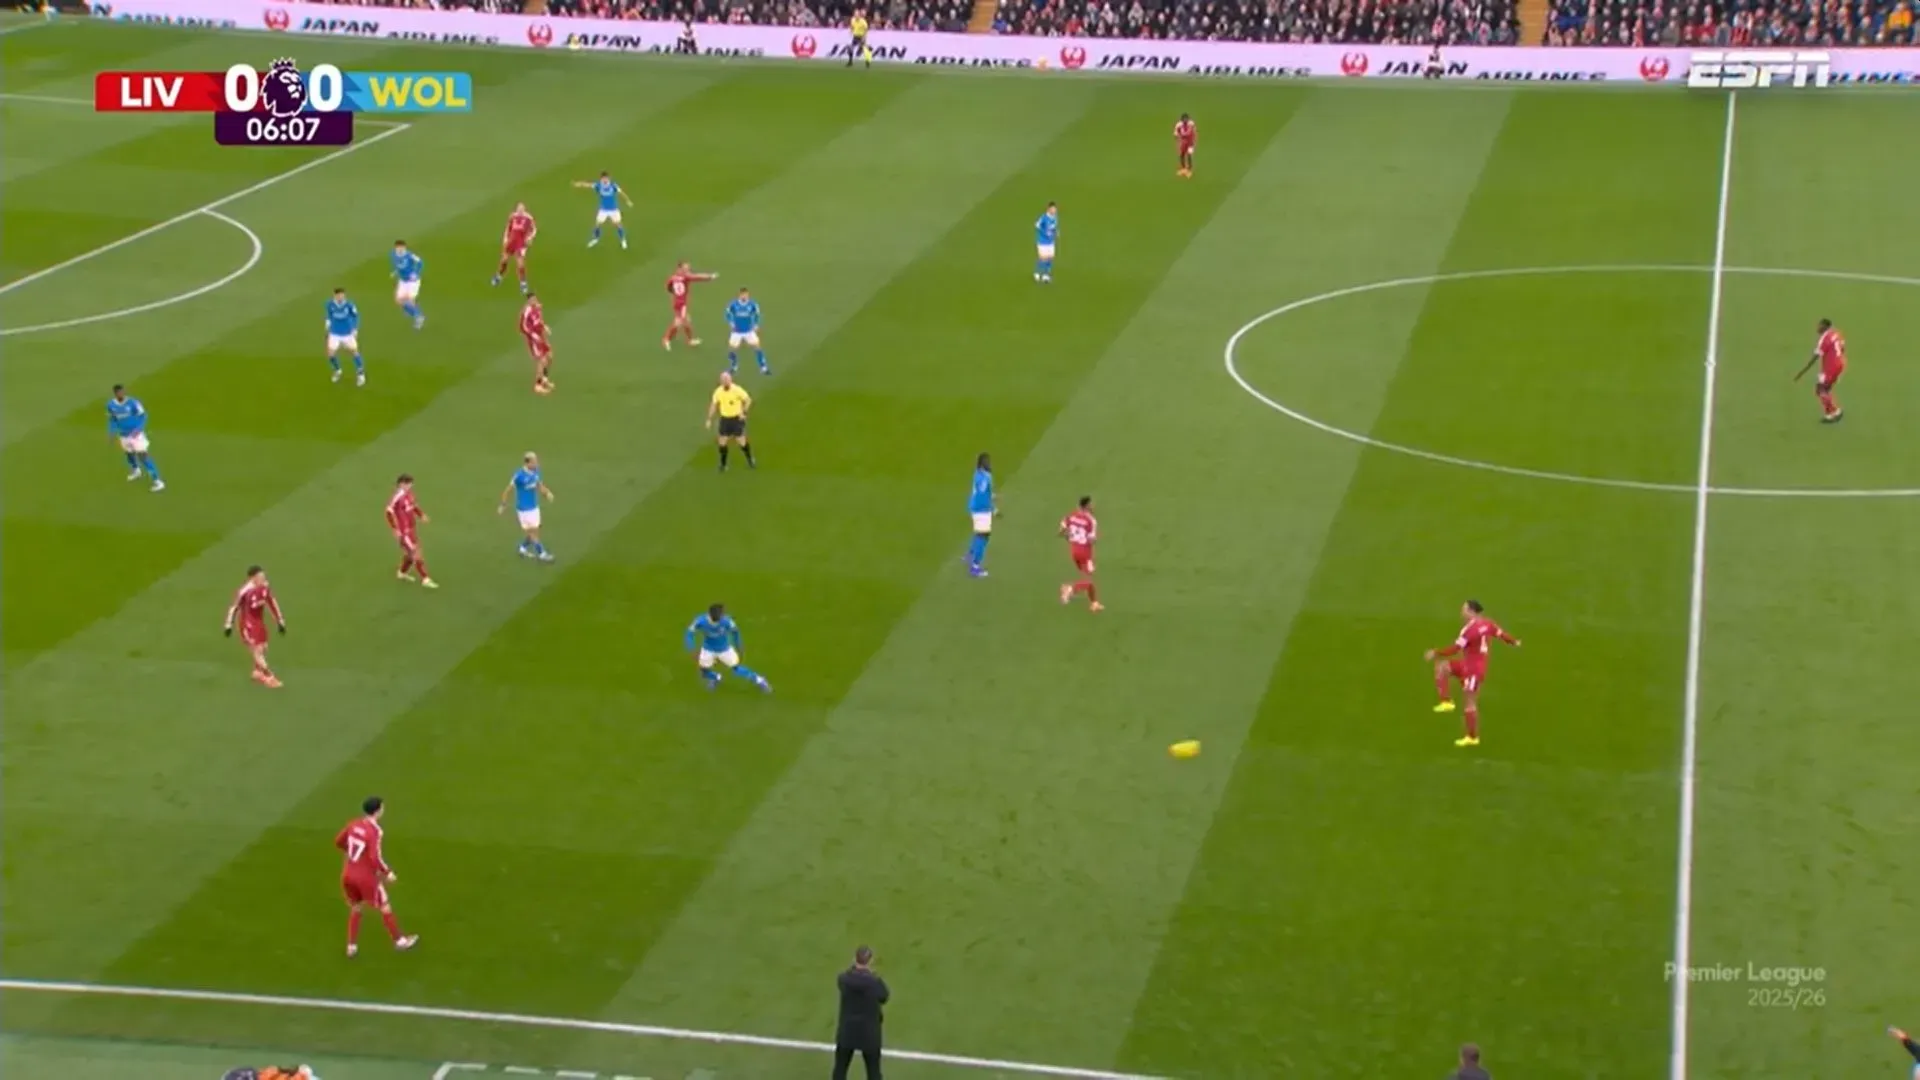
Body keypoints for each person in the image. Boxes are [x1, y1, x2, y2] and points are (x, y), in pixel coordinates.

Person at [1425, 600, 1520, 747]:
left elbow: (1455, 649)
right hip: (1469, 666)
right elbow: (1501, 635)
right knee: (1442, 667)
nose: (1461, 612)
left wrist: (1435, 652)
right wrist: (1514, 642)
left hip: (1473, 671)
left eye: (1464, 609)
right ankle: (1446, 702)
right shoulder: (1488, 624)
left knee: (1469, 702)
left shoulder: (1469, 631)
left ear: (1471, 611)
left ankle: (1472, 737)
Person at [335, 796, 419, 957]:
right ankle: (400, 941)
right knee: (385, 906)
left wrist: (352, 855)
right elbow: (375, 857)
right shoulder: (374, 831)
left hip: (348, 874)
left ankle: (351, 946)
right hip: (365, 878)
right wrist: (387, 873)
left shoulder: (353, 824)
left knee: (356, 907)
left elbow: (338, 841)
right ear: (378, 811)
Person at [834, 945, 888, 1080]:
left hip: (847, 1032)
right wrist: (871, 975)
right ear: (870, 961)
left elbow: (844, 978)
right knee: (873, 1072)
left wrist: (854, 971)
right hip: (869, 1034)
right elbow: (884, 996)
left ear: (854, 959)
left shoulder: (844, 979)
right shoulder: (874, 983)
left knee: (840, 1069)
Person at [706, 370, 756, 472]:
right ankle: (723, 464)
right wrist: (709, 419)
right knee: (722, 442)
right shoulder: (718, 392)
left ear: (730, 380)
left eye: (726, 379)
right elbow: (714, 405)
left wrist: (744, 412)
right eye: (723, 379)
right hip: (725, 419)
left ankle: (750, 459)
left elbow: (748, 400)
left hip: (736, 419)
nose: (725, 381)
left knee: (741, 441)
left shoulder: (737, 390)